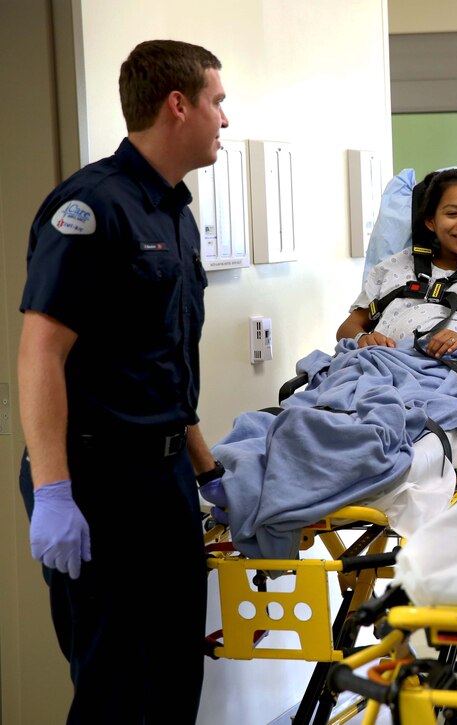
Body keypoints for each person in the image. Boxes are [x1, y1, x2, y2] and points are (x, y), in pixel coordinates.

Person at [17, 39, 227, 723]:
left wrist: (207, 470)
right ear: (178, 104)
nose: (224, 119)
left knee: (173, 680)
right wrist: (53, 489)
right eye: (216, 102)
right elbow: (39, 354)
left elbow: (159, 367)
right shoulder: (89, 209)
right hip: (96, 481)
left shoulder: (175, 212)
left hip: (163, 478)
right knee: (115, 689)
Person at [336, 167, 457, 356]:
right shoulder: (391, 267)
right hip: (382, 368)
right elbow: (348, 327)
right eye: (452, 214)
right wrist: (362, 337)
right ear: (431, 222)